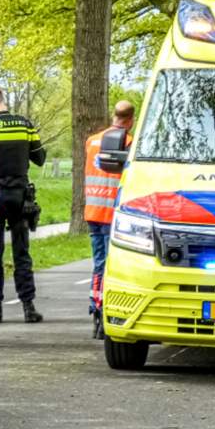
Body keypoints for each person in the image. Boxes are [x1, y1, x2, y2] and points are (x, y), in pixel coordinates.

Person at [0, 87, 46, 324]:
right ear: (2, 102)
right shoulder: (26, 125)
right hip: (20, 197)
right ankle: (28, 306)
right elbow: (40, 158)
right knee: (21, 252)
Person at [82, 100, 135, 322]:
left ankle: (95, 303)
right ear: (131, 120)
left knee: (99, 263)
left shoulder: (92, 141)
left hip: (93, 210)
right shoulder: (131, 143)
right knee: (111, 267)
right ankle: (105, 309)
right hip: (112, 214)